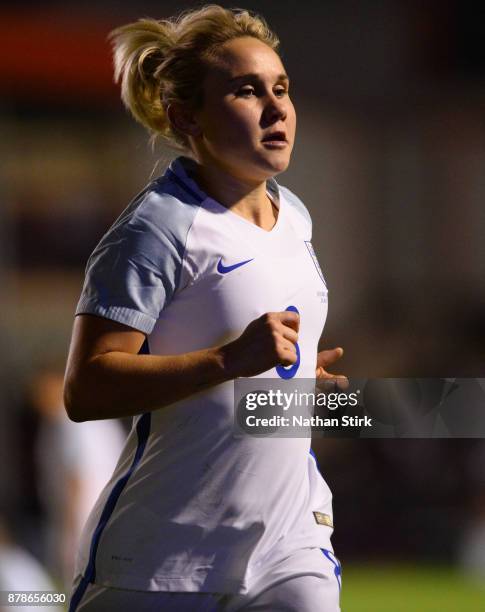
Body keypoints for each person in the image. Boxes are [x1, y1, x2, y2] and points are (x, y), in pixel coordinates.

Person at [64, 5, 345, 611]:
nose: (276, 109)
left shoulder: (294, 215)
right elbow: (85, 390)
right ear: (185, 115)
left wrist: (294, 384)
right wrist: (227, 360)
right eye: (246, 91)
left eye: (282, 89)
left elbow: (253, 371)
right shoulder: (156, 229)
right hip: (163, 560)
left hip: (289, 546)